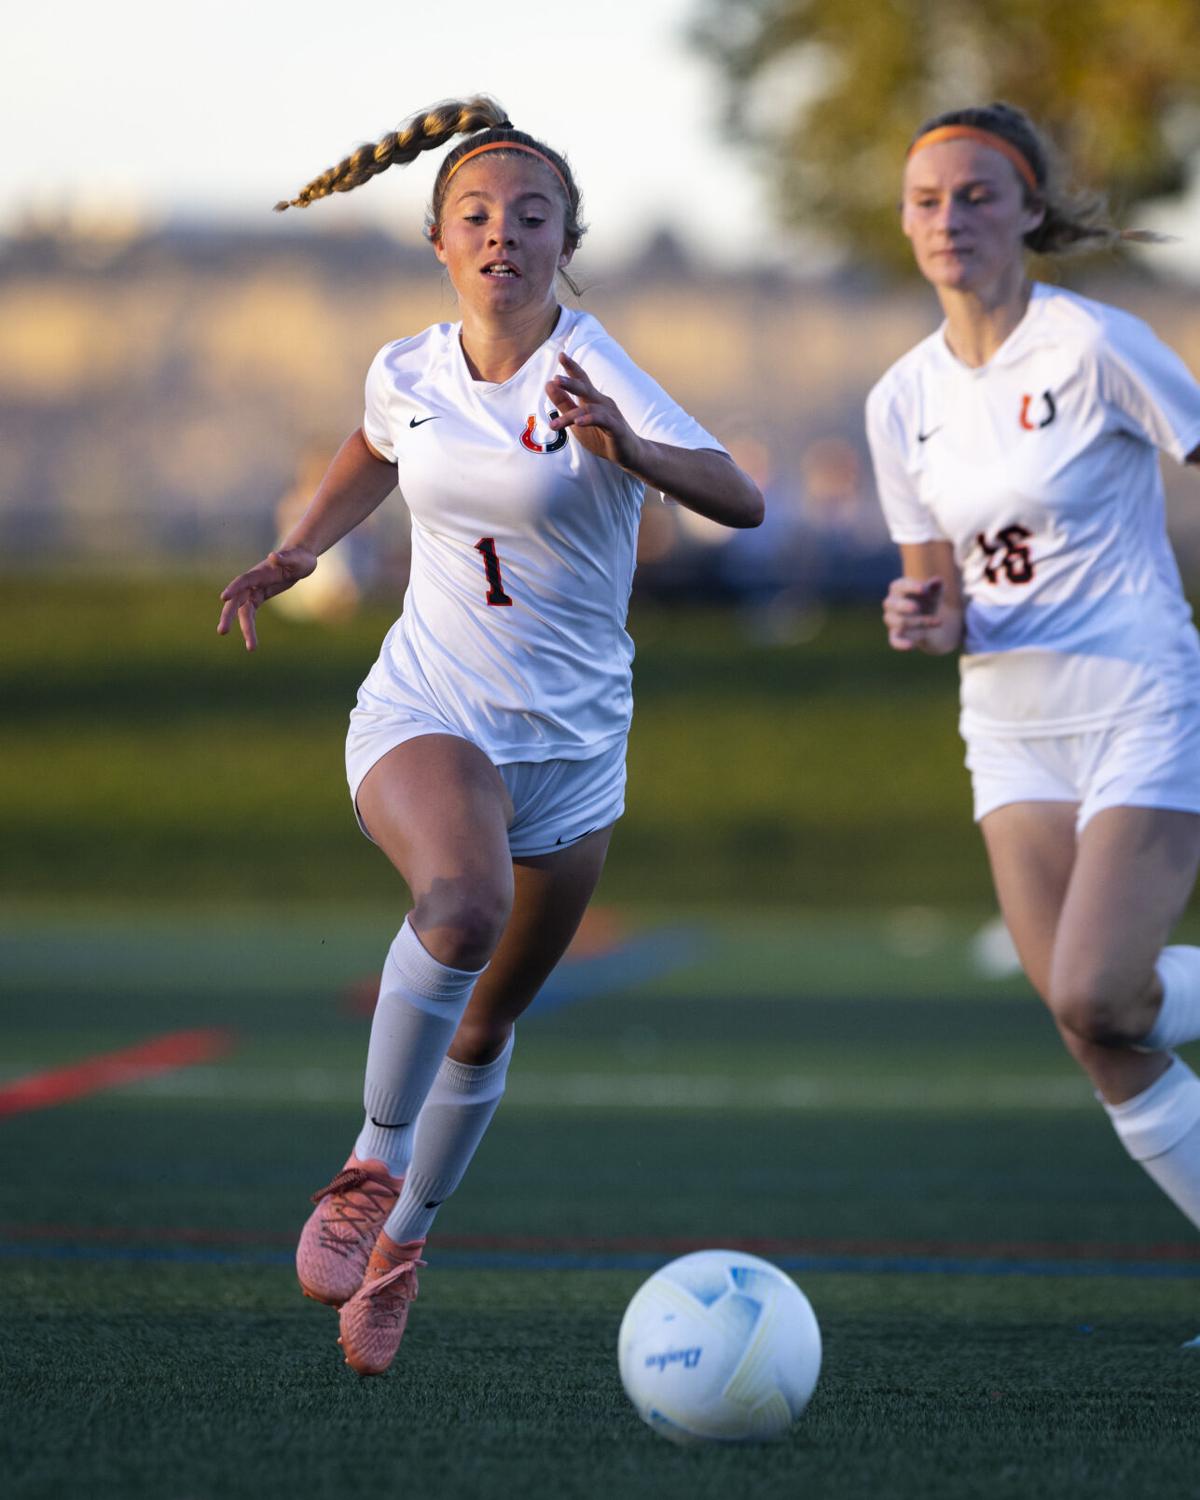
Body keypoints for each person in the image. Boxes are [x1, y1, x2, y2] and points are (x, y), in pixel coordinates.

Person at [217, 97, 763, 1377]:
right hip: (430, 709)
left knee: (487, 1021)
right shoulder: (407, 368)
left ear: (568, 239)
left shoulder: (596, 365)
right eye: (477, 216)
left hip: (573, 748)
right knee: (456, 910)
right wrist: (303, 546)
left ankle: (403, 1243)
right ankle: (367, 1164)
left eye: (531, 216)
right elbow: (370, 444)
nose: (503, 234)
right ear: (437, 237)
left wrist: (626, 446)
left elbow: (740, 496)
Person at [867, 101, 1200, 1310]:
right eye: (925, 198)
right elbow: (938, 594)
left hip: (1138, 699)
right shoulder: (898, 399)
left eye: (974, 194)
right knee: (1095, 1032)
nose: (948, 217)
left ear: (1029, 213)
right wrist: (922, 619)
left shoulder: (1094, 345)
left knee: (1093, 988)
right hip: (1007, 727)